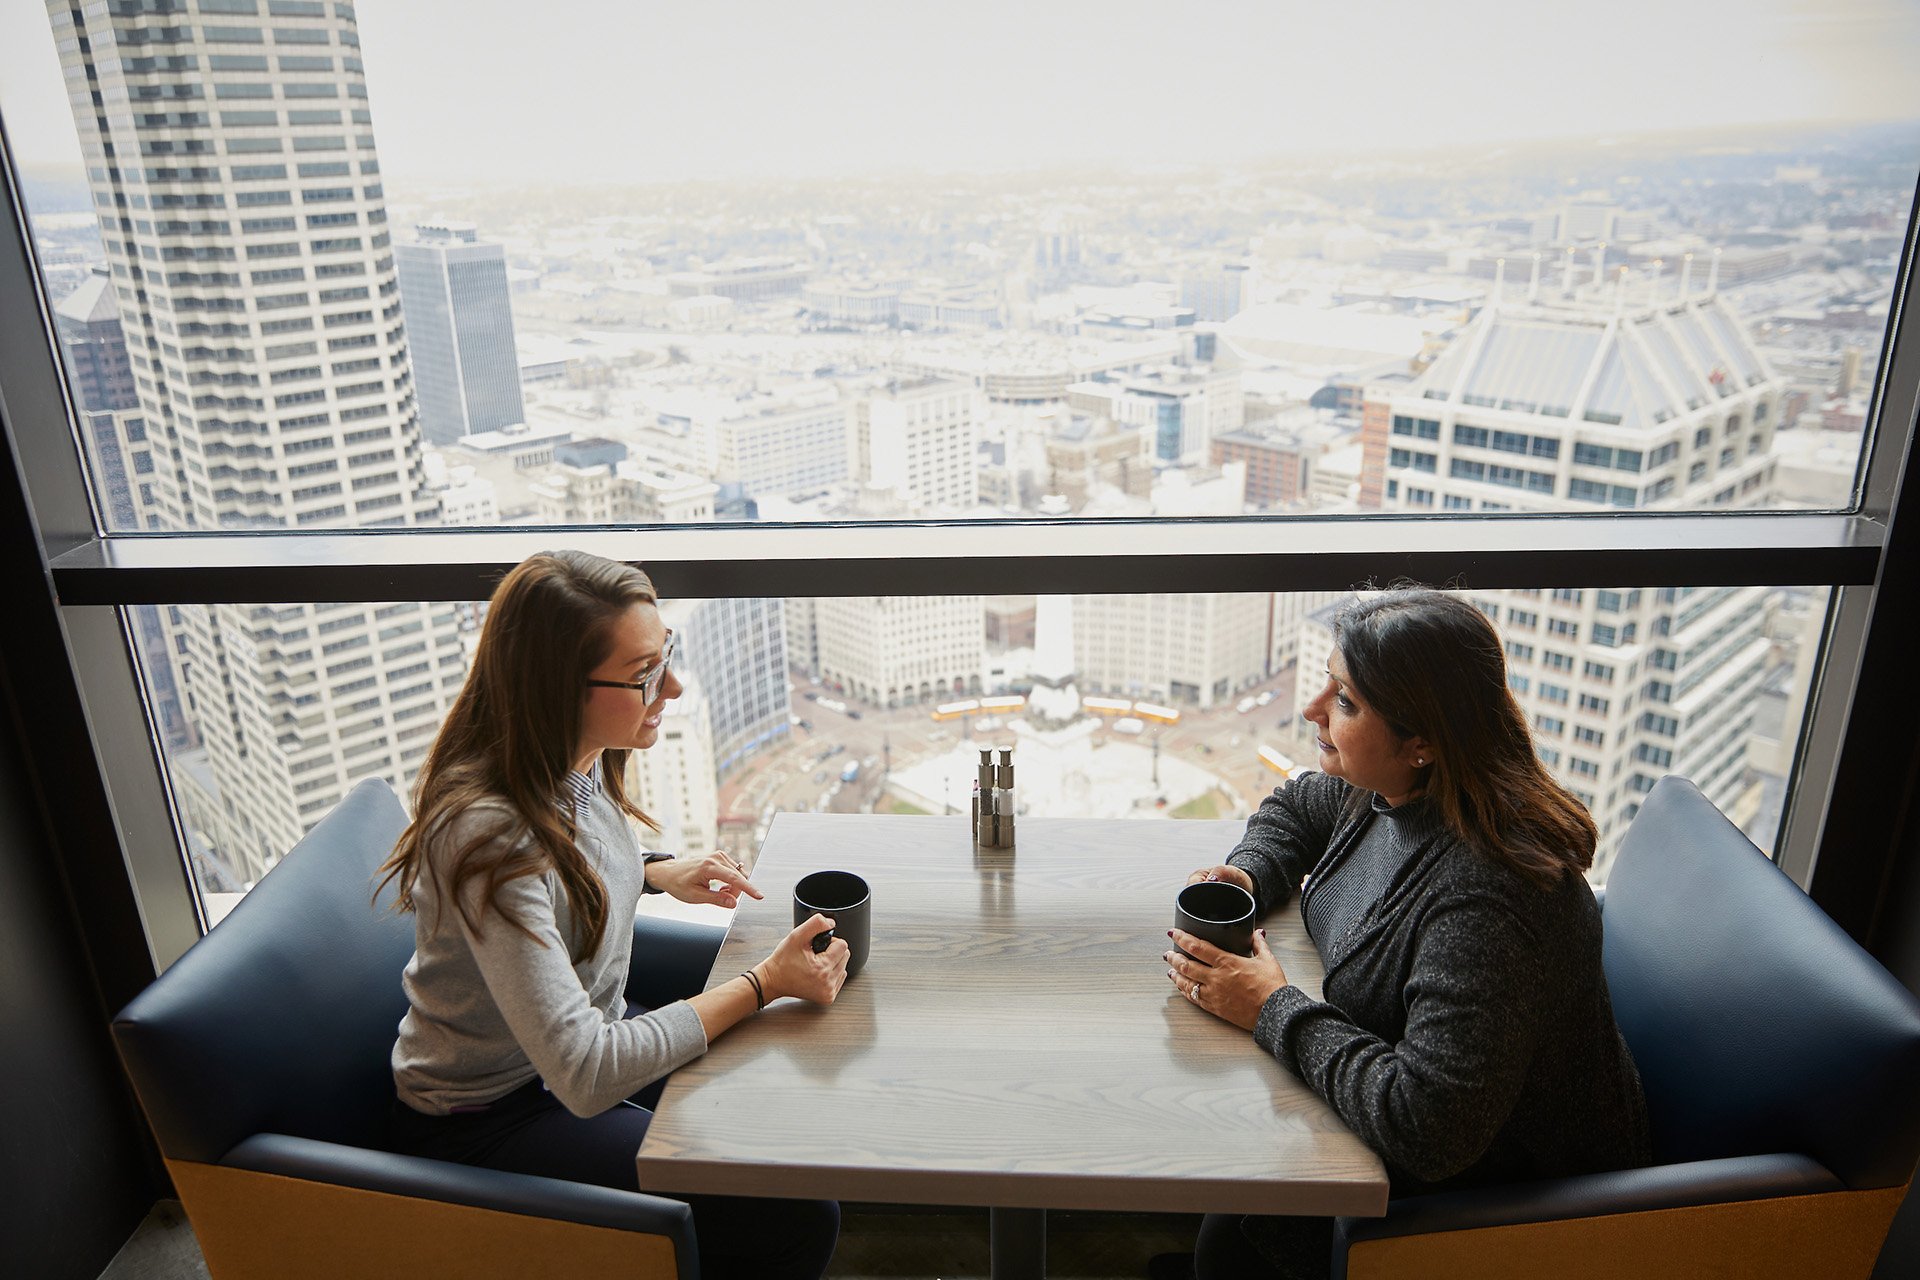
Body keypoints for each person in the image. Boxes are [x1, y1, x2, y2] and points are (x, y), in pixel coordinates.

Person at [378, 550, 847, 1280]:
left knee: (781, 1110)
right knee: (792, 1213)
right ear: (555, 690)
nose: (675, 688)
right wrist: (762, 984)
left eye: (666, 659)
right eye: (644, 677)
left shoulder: (571, 762)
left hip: (572, 1059)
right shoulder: (488, 839)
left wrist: (656, 872)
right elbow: (587, 1073)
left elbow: (570, 866)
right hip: (493, 1117)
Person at [1160, 587, 1651, 1280]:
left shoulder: (1489, 902)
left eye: (1347, 702)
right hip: (1426, 1129)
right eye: (1328, 685)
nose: (1312, 711)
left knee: (1238, 1227)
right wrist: (1249, 875)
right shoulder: (1395, 792)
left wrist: (1271, 1007)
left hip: (1516, 1202)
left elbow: (1429, 1130)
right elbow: (1298, 804)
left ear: (1421, 742)